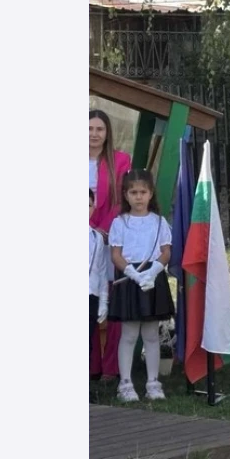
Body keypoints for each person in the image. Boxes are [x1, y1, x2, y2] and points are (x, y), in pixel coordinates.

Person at [107, 170, 175, 402]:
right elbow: (116, 255)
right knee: (129, 333)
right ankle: (125, 384)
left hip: (153, 279)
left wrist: (153, 272)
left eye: (143, 192)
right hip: (130, 278)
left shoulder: (159, 222)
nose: (138, 197)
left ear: (150, 193)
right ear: (126, 194)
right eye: (133, 192)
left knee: (151, 334)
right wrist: (134, 275)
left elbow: (166, 252)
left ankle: (153, 382)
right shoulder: (120, 223)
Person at [89, 109, 132, 381]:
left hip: (108, 238)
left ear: (107, 133)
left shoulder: (120, 160)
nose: (94, 134)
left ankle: (112, 366)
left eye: (99, 129)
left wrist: (101, 229)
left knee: (112, 301)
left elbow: (120, 199)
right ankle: (90, 364)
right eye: (89, 129)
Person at [89, 189, 108, 355]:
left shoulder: (97, 238)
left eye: (88, 205)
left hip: (90, 296)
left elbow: (102, 272)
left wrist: (103, 302)